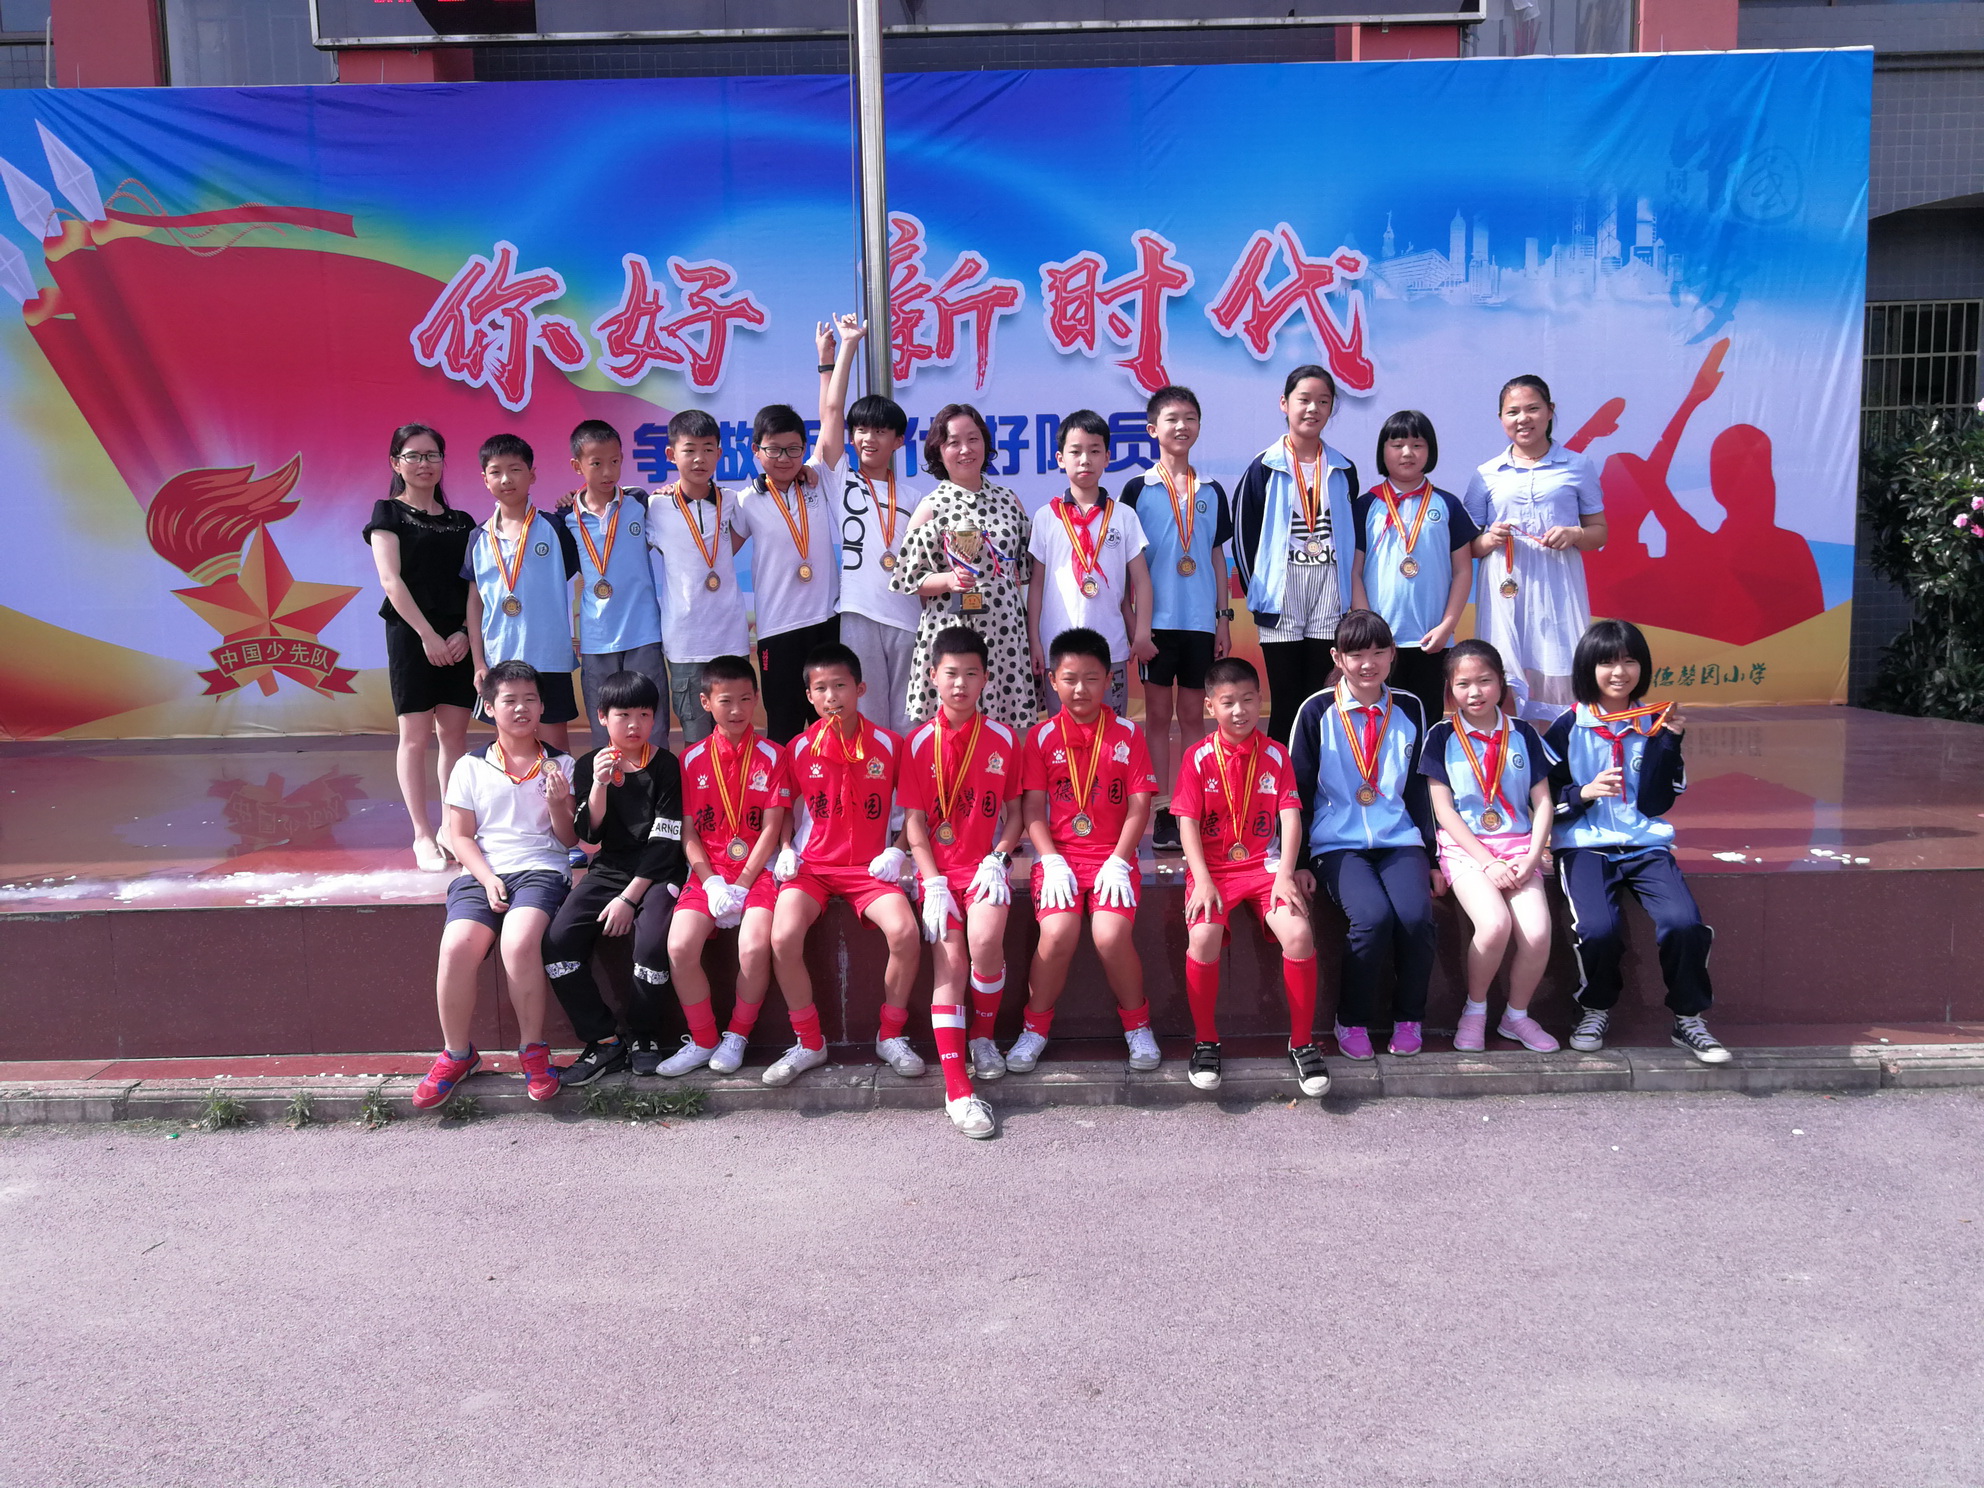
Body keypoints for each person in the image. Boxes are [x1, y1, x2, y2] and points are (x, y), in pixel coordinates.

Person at [1543, 619, 1730, 1065]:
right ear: (1588, 668)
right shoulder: (1567, 726)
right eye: (1607, 662)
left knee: (1684, 923)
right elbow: (1543, 798)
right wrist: (1583, 793)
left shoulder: (1655, 722)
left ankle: (1688, 1018)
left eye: (1629, 661)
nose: (1619, 672)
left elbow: (1656, 803)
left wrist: (1668, 743)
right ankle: (1594, 1008)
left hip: (1645, 845)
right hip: (1585, 845)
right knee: (1597, 929)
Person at [412, 661, 578, 1110]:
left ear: (542, 706)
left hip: (541, 870)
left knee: (519, 943)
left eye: (530, 699)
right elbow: (461, 836)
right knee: (456, 946)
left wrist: (558, 803)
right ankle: (457, 1054)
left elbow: (568, 840)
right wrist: (486, 879)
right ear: (489, 707)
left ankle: (533, 1052)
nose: (521, 708)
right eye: (509, 700)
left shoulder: (561, 764)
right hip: (481, 871)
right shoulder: (469, 766)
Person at [764, 643, 922, 1087]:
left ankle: (891, 1035)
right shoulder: (797, 747)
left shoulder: (890, 744)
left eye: (840, 686)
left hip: (871, 869)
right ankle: (808, 1042)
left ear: (860, 689)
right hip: (812, 867)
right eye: (821, 689)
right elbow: (783, 808)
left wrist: (898, 850)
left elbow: (915, 808)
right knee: (783, 936)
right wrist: (786, 849)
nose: (831, 696)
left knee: (905, 933)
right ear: (809, 696)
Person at [1288, 609, 1440, 1061]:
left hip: (1399, 839)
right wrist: (1297, 863)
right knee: (1372, 918)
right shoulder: (1316, 710)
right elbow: (1297, 790)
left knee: (1416, 917)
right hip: (1337, 844)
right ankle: (1351, 1020)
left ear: (1393, 654)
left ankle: (1409, 1018)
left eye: (1378, 652)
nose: (1368, 663)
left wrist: (1432, 857)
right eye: (1356, 654)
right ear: (1338, 657)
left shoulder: (1410, 707)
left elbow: (1419, 788)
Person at [1008, 627, 1162, 1075]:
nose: (1081, 689)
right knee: (1057, 934)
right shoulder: (1040, 736)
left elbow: (1140, 806)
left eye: (1092, 678)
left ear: (1110, 681)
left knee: (1110, 936)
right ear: (1052, 681)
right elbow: (1033, 809)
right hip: (1060, 859)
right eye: (1070, 679)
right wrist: (1050, 858)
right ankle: (1034, 1029)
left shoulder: (1128, 734)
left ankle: (1138, 1025)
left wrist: (1119, 859)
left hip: (1113, 857)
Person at [1171, 657, 1325, 1098]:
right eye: (1228, 702)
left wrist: (1286, 874)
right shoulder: (1197, 757)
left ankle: (1301, 1043)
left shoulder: (1276, 753)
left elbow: (1290, 817)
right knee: (1203, 937)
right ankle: (1205, 1041)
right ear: (1209, 707)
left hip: (1264, 866)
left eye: (1248, 700)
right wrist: (1202, 879)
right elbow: (1185, 822)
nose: (1239, 710)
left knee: (1299, 934)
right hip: (1214, 869)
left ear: (1261, 699)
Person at [900, 626, 1023, 1140]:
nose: (960, 684)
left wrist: (1000, 856)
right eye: (951, 673)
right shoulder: (916, 743)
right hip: (937, 875)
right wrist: (931, 881)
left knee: (986, 941)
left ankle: (983, 1037)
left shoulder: (1004, 739)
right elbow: (914, 824)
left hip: (983, 867)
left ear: (986, 679)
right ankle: (957, 1091)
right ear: (932, 677)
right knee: (950, 964)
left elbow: (1016, 814)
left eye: (971, 674)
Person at [542, 670, 687, 1084]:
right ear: (602, 717)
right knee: (557, 941)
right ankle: (604, 1040)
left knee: (652, 942)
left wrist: (628, 899)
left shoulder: (666, 765)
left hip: (658, 872)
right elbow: (589, 836)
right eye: (623, 715)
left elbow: (665, 842)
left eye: (645, 714)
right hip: (610, 868)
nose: (635, 724)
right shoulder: (590, 764)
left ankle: (644, 1036)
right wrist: (599, 785)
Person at [1419, 640, 1559, 1053]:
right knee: (1495, 925)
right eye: (1462, 684)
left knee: (1537, 934)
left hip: (1519, 849)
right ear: (1450, 689)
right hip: (1466, 851)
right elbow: (1443, 811)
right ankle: (1475, 1010)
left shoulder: (1524, 734)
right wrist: (1487, 862)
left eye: (1484, 681)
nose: (1475, 692)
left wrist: (1532, 856)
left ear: (1501, 683)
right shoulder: (1441, 736)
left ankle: (1517, 1016)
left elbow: (1543, 803)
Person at [661, 656, 792, 1077]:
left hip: (759, 872)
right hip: (709, 873)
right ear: (705, 702)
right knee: (679, 946)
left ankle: (736, 1034)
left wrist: (744, 882)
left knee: (753, 947)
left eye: (745, 699)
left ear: (756, 698)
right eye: (725, 701)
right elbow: (688, 832)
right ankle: (703, 1039)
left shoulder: (774, 755)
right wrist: (713, 882)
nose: (737, 710)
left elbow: (772, 827)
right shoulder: (690, 759)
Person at [1119, 385, 1233, 853]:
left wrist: (1223, 619)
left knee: (1192, 716)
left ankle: (1191, 805)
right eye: (1171, 419)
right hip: (1156, 625)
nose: (1181, 426)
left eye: (1190, 418)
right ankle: (1163, 810)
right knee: (1157, 716)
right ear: (1152, 430)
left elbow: (1216, 558)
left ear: (1199, 426)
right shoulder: (1137, 490)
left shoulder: (1212, 491)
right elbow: (1125, 562)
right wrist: (1135, 625)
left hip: (1200, 623)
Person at [363, 423, 476, 872]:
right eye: (413, 456)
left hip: (458, 640)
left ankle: (451, 827)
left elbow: (475, 586)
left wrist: (465, 633)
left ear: (443, 462)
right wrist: (428, 635)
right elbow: (390, 580)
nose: (424, 464)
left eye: (432, 455)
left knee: (454, 736)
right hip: (413, 637)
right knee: (414, 738)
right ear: (396, 463)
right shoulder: (387, 514)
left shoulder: (462, 522)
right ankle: (422, 835)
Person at [1464, 375, 1608, 720]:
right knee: (1501, 669)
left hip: (1558, 585)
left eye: (1532, 409)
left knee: (1560, 665)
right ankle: (1507, 747)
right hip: (1504, 587)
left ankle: (1558, 748)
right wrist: (1490, 538)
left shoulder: (1578, 466)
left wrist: (1575, 534)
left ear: (1550, 411)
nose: (1522, 419)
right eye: (1512, 412)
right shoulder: (1486, 473)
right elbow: (1468, 547)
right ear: (1501, 418)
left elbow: (1599, 533)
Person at [1231, 365, 1361, 744]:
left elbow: (1351, 535)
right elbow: (1243, 536)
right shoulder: (1264, 467)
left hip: (1328, 590)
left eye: (1323, 401)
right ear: (1284, 403)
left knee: (1320, 696)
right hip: (1282, 591)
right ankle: (1280, 777)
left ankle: (1317, 774)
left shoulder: (1343, 468)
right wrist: (1259, 590)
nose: (1312, 409)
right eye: (1304, 399)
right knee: (1286, 697)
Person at [888, 403, 1037, 729]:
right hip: (953, 629)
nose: (965, 449)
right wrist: (947, 580)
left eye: (973, 439)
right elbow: (907, 579)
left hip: (1004, 632)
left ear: (985, 442)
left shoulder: (1009, 500)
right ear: (938, 451)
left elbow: (1026, 570)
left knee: (1005, 728)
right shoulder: (931, 507)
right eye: (954, 442)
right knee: (950, 731)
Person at [814, 314, 923, 735]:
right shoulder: (839, 477)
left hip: (908, 617)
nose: (868, 438)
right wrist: (848, 346)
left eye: (880, 431)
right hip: (858, 614)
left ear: (899, 440)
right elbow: (831, 410)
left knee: (909, 723)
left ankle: (907, 785)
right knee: (869, 722)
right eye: (860, 430)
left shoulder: (915, 498)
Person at [1349, 409, 1478, 725]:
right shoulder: (1366, 506)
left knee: (1426, 719)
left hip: (1430, 641)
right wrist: (1370, 630)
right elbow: (1353, 572)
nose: (1407, 452)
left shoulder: (1447, 505)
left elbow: (1463, 571)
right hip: (1379, 645)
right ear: (1383, 451)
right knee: (1377, 719)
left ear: (1430, 451)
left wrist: (1447, 627)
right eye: (1397, 444)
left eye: (1417, 445)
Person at [1026, 409, 1157, 719]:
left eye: (1095, 451)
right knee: (1063, 732)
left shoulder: (1123, 515)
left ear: (1107, 458)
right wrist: (1035, 641)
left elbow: (1141, 581)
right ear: (1060, 459)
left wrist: (1142, 633)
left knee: (1112, 730)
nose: (1085, 460)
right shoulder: (1046, 517)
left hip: (1110, 648)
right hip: (1058, 649)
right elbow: (1036, 586)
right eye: (1076, 452)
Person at [462, 433, 583, 751]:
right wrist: (479, 662)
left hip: (549, 658)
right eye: (496, 471)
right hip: (501, 659)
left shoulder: (556, 528)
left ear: (532, 475)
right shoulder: (479, 537)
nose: (506, 479)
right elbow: (475, 603)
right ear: (485, 479)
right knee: (511, 748)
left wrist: (576, 501)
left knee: (555, 751)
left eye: (515, 469)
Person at [644, 409, 749, 747]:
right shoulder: (655, 507)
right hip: (685, 644)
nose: (699, 458)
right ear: (671, 454)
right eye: (689, 450)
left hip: (731, 638)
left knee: (736, 735)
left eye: (707, 449)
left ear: (719, 453)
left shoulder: (733, 502)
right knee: (696, 740)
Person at [735, 403, 839, 743]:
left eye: (793, 449)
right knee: (783, 729)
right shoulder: (745, 501)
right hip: (778, 629)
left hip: (826, 622)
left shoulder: (817, 482)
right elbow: (718, 551)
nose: (784, 458)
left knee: (832, 726)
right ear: (756, 450)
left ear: (805, 449)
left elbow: (831, 414)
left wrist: (827, 370)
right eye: (773, 449)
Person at [560, 419, 667, 741]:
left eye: (615, 461)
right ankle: (607, 774)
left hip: (643, 631)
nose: (608, 472)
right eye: (596, 464)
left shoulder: (640, 503)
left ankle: (655, 772)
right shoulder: (566, 518)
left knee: (652, 720)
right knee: (604, 724)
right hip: (597, 635)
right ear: (577, 466)